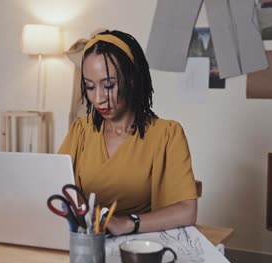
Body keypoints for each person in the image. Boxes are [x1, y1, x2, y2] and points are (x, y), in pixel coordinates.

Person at [58, 30, 198, 236]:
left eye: (108, 85)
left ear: (131, 79)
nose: (98, 99)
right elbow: (55, 190)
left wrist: (127, 223)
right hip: (86, 241)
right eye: (89, 86)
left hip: (139, 245)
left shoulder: (167, 134)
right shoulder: (81, 130)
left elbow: (187, 211)